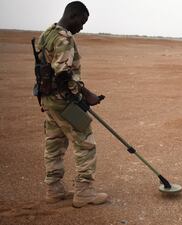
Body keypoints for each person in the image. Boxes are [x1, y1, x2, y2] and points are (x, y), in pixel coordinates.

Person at [36, 1, 108, 208]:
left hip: (48, 99)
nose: (82, 27)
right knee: (85, 143)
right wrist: (87, 94)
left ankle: (54, 189)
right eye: (82, 22)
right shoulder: (64, 38)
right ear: (74, 16)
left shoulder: (48, 33)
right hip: (64, 101)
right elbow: (63, 74)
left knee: (54, 144)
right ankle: (84, 192)